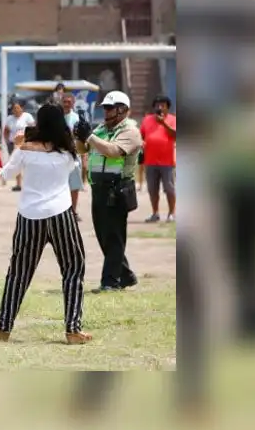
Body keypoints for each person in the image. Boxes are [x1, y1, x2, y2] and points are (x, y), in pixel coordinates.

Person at [0, 103, 89, 344]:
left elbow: (8, 174)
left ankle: (3, 327)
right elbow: (79, 159)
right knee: (73, 268)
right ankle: (73, 328)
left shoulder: (25, 149)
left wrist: (17, 145)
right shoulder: (67, 152)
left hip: (29, 216)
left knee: (18, 272)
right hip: (61, 213)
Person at [74, 90, 143, 292]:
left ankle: (110, 282)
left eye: (110, 108)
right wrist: (80, 136)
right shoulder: (102, 128)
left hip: (118, 189)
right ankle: (126, 275)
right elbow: (82, 150)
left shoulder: (130, 131)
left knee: (114, 236)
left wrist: (90, 136)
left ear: (122, 110)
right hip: (99, 189)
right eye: (104, 108)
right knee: (103, 235)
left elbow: (113, 151)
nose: (106, 111)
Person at [140, 94, 177, 223]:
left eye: (163, 105)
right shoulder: (147, 120)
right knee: (152, 189)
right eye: (157, 105)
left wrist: (164, 123)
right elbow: (141, 135)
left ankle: (172, 213)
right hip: (150, 161)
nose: (160, 107)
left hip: (167, 162)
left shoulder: (173, 119)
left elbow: (175, 135)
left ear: (168, 108)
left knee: (169, 188)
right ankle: (155, 213)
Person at [61, 93, 86, 220]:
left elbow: (82, 139)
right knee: (60, 187)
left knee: (74, 186)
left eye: (69, 102)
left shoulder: (76, 118)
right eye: (64, 101)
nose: (66, 104)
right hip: (59, 156)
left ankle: (73, 212)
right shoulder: (57, 118)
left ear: (73, 103)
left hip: (74, 156)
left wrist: (84, 157)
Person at [3, 101, 35, 192]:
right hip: (13, 144)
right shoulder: (9, 118)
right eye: (14, 108)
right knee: (16, 164)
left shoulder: (27, 116)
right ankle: (18, 184)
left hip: (25, 143)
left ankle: (29, 184)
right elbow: (6, 130)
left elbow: (33, 128)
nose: (16, 110)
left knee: (28, 164)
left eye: (17, 108)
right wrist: (7, 141)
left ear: (22, 108)